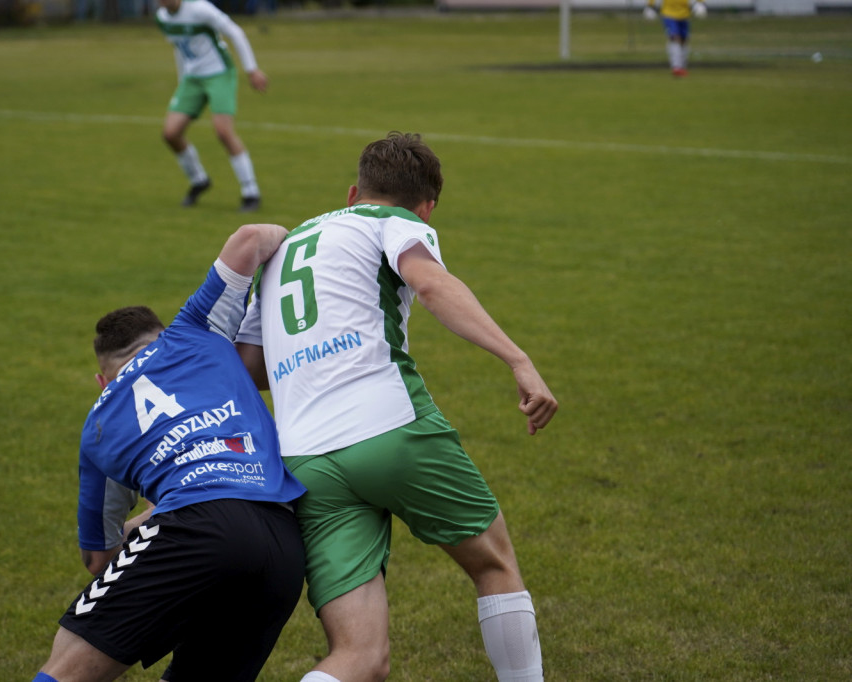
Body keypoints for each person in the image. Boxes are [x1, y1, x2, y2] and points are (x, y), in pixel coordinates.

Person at [235, 132, 558, 682]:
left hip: (306, 461)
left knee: (361, 657)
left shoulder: (284, 250)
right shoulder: (395, 222)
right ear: (427, 208)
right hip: (391, 428)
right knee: (494, 564)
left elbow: (248, 370)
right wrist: (518, 359)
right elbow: (431, 285)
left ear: (353, 190)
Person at [33, 223, 307, 682]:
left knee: (68, 665)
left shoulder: (98, 427)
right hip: (283, 544)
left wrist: (141, 526)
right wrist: (304, 240)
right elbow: (250, 238)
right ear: (160, 337)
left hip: (196, 526)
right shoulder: (197, 329)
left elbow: (100, 559)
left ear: (102, 381)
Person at [155, 0, 268, 212]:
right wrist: (182, 81)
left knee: (223, 131)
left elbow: (235, 32)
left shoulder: (199, 9)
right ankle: (199, 180)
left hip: (219, 73)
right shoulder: (162, 18)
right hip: (192, 78)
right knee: (170, 133)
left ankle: (251, 192)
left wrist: (252, 70)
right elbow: (180, 48)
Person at [644, 0, 707, 77]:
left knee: (684, 40)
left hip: (685, 14)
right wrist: (650, 6)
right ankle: (676, 67)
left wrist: (700, 3)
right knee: (675, 38)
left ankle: (682, 65)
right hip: (669, 13)